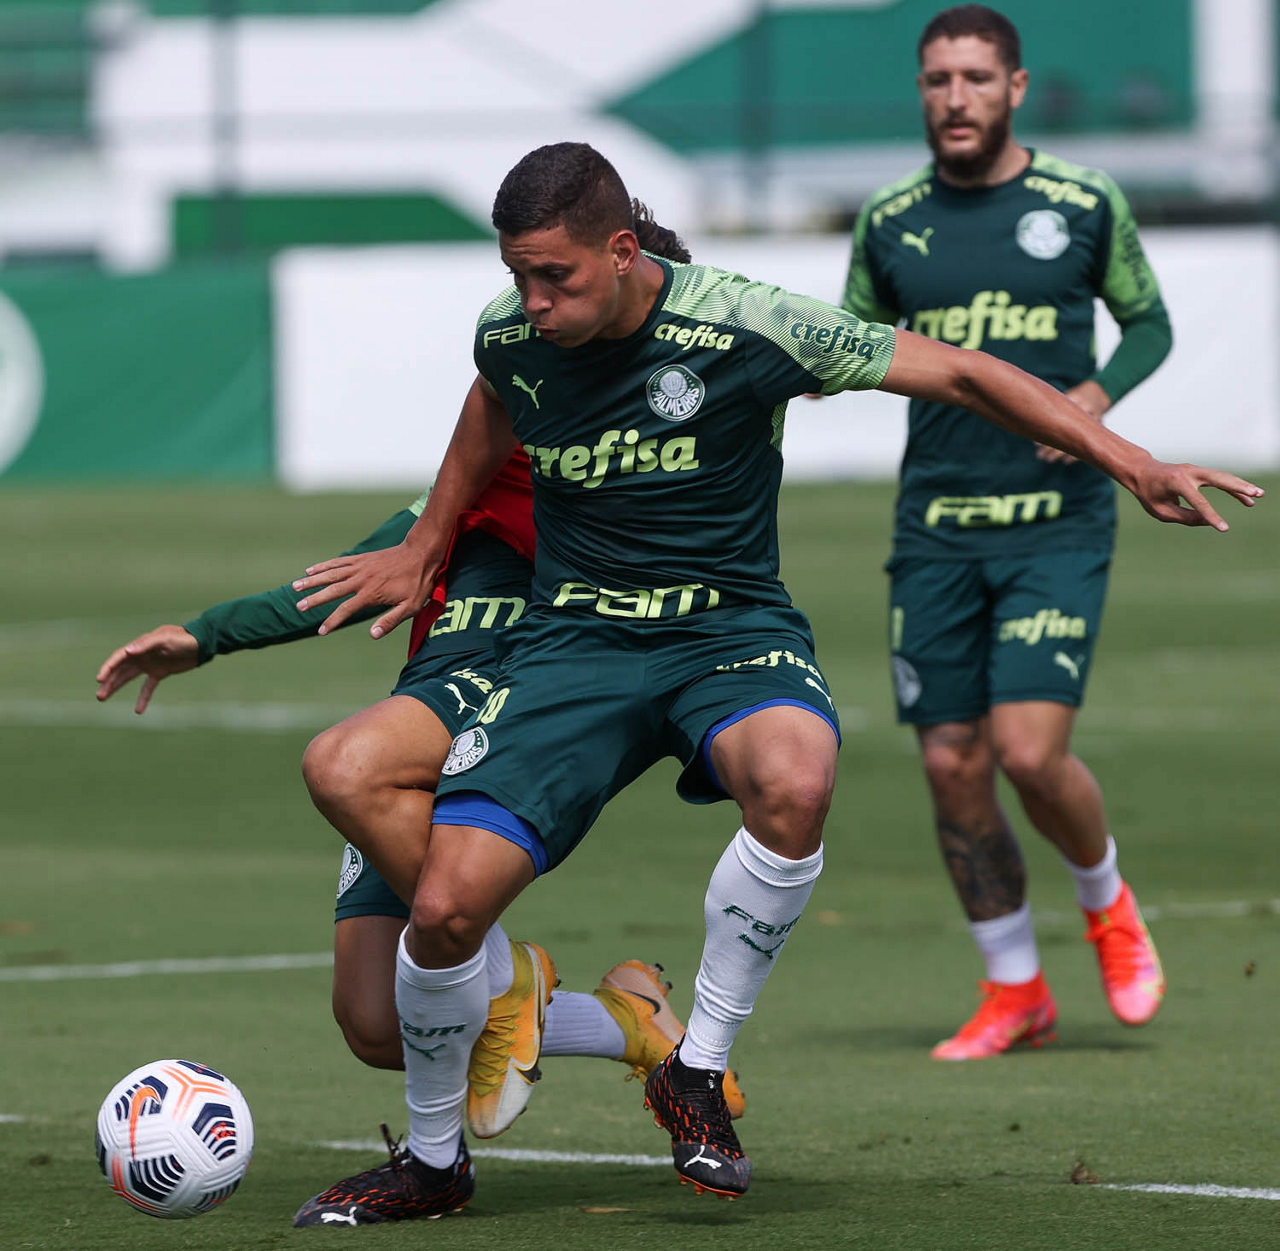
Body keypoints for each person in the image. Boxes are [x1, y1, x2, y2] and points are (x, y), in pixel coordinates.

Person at [290, 141, 1259, 1218]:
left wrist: (1133, 462)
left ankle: (695, 1069)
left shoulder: (750, 323)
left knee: (796, 779)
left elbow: (964, 372)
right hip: (573, 645)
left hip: (727, 630)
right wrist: (427, 537)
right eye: (517, 275)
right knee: (441, 912)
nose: (533, 301)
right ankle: (433, 1164)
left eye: (553, 275)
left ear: (622, 251)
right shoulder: (514, 334)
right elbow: (494, 398)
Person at [95, 208, 745, 1162]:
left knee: (349, 773)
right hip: (429, 700)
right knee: (373, 1022)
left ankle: (503, 994)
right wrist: (205, 635)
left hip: (514, 709)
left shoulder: (665, 472)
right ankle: (621, 1020)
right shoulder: (511, 438)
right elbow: (368, 565)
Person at [842, 4, 1177, 1060]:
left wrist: (1089, 402)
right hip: (934, 528)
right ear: (920, 89)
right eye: (938, 79)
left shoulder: (1081, 201)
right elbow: (854, 344)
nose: (956, 98)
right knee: (951, 764)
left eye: (977, 78)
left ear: (1015, 88)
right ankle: (1014, 988)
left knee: (1029, 754)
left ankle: (1105, 901)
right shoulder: (888, 219)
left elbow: (1150, 324)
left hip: (1053, 526)